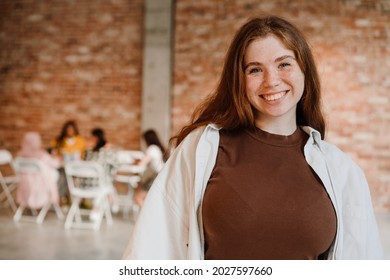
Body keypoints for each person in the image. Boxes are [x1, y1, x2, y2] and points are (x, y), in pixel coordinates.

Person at [122, 16, 383, 260]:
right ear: (240, 80)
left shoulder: (342, 170)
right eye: (255, 70)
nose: (272, 81)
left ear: (305, 71)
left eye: (284, 64)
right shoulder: (202, 148)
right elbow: (152, 246)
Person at [16, 132, 61, 209]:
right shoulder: (42, 154)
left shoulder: (20, 155)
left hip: (25, 183)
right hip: (42, 183)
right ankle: (54, 202)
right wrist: (57, 158)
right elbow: (56, 164)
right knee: (56, 174)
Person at [133, 129, 166, 207]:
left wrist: (136, 161)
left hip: (155, 176)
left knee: (138, 197)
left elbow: (142, 163)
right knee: (142, 194)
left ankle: (146, 216)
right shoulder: (157, 148)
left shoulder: (152, 148)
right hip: (159, 176)